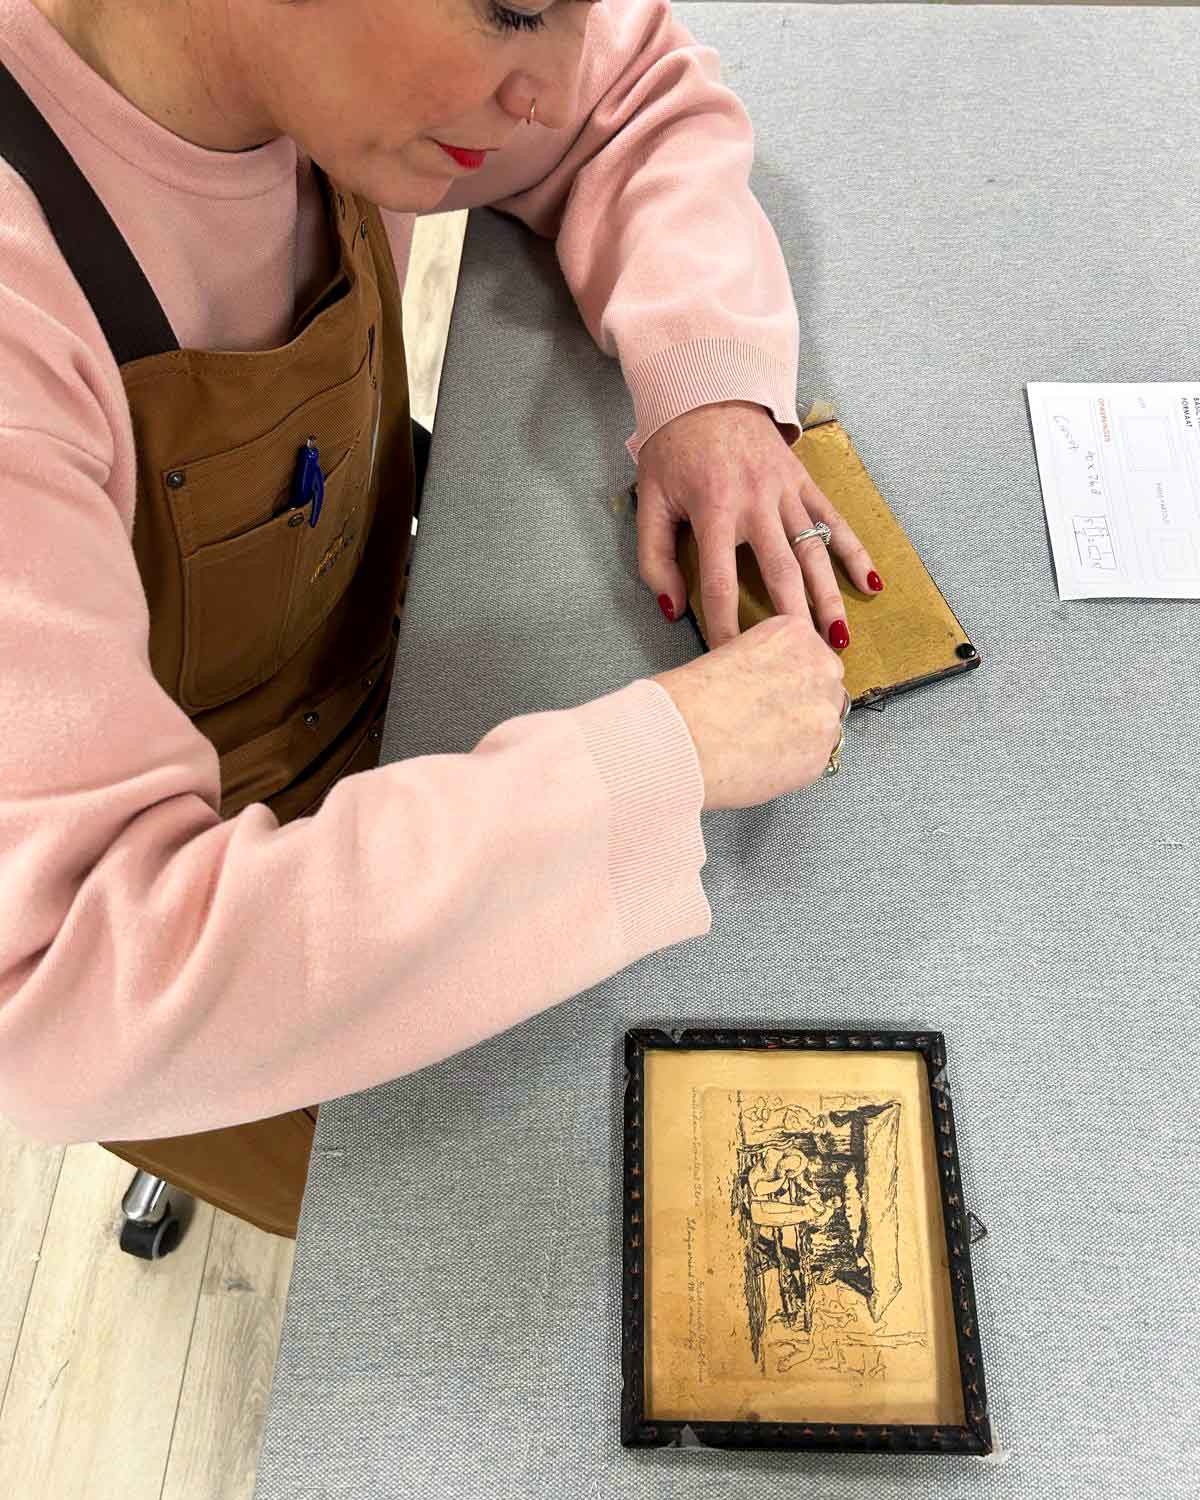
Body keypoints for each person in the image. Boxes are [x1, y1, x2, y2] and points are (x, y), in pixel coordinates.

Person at [0, 0, 883, 1239]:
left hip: (403, 668)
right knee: (628, 1224)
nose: (551, 86)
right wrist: (655, 762)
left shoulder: (323, 78)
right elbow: (60, 990)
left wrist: (707, 384)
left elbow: (628, 93)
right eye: (513, 12)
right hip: (216, 965)